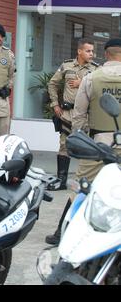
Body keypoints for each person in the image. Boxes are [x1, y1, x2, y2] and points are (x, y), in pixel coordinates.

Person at [45, 38, 121, 246]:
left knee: (80, 188)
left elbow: (78, 115)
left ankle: (63, 231)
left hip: (98, 143)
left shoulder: (91, 78)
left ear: (106, 55)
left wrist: (82, 139)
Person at [47, 38, 99, 192]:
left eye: (92, 51)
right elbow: (52, 84)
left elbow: (99, 87)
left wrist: (81, 82)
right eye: (88, 51)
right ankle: (61, 180)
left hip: (87, 116)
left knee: (88, 148)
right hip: (67, 114)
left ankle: (87, 181)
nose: (91, 54)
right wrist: (55, 104)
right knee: (64, 146)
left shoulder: (96, 69)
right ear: (79, 51)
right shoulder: (67, 65)